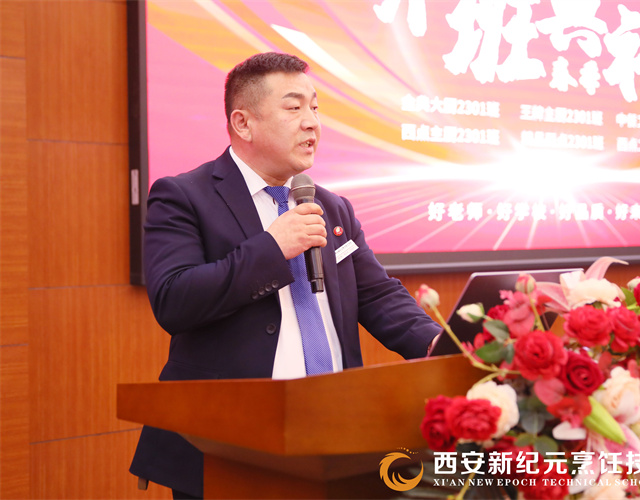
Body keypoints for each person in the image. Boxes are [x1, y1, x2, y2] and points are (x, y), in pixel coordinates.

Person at [129, 52, 442, 498]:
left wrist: (437, 345)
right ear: (243, 123)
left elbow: (377, 295)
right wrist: (272, 249)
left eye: (315, 107)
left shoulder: (331, 206)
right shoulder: (184, 196)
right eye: (294, 108)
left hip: (335, 430)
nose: (312, 123)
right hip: (229, 442)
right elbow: (174, 299)